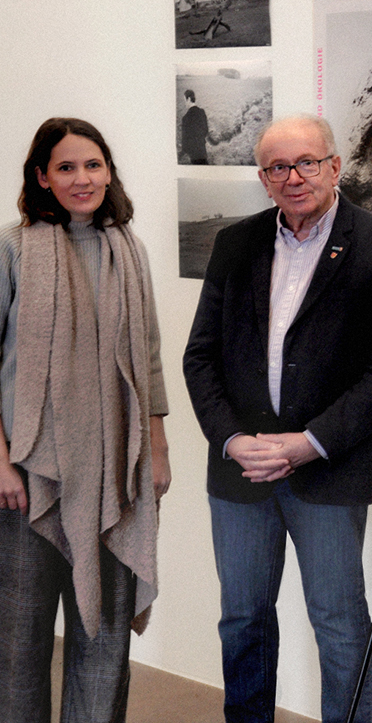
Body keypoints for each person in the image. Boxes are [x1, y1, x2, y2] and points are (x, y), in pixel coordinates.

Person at [183, 115, 372, 723]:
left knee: (340, 626)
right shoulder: (235, 245)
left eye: (307, 163)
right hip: (242, 473)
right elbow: (200, 355)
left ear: (335, 167)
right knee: (243, 620)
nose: (294, 178)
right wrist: (233, 440)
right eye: (278, 168)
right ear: (263, 179)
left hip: (328, 471)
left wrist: (312, 442)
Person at [0, 118, 169, 723]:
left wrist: (158, 449)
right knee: (18, 645)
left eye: (92, 165)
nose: (81, 178)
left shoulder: (130, 250)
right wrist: (2, 464)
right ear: (41, 177)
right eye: (66, 167)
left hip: (115, 476)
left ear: (108, 171)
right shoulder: (14, 247)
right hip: (29, 477)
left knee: (105, 643)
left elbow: (146, 356)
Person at [181, 89, 210, 165]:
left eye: (185, 100)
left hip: (194, 155)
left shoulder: (185, 118)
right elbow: (205, 131)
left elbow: (184, 143)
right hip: (203, 151)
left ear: (189, 99)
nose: (185, 103)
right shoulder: (202, 112)